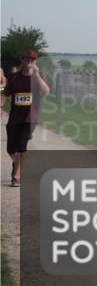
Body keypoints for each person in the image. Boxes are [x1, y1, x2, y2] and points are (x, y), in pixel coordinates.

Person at [2, 50, 51, 187]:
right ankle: (17, 163)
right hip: (15, 117)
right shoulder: (14, 77)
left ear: (35, 62)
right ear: (23, 60)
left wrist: (37, 74)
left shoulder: (38, 76)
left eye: (32, 59)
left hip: (31, 117)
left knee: (21, 146)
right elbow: (5, 94)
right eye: (27, 59)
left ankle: (17, 176)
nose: (29, 61)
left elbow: (46, 92)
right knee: (11, 149)